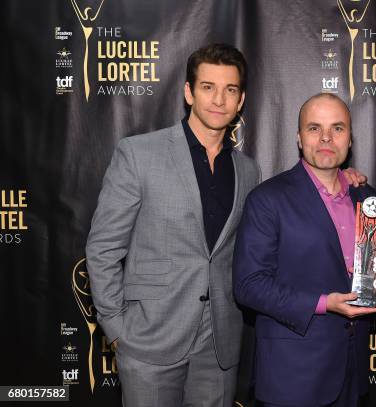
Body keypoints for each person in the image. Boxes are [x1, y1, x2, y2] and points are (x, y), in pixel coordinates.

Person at [86, 43, 260, 407]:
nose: (218, 99)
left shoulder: (247, 170)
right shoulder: (139, 153)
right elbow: (103, 248)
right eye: (207, 87)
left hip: (219, 344)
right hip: (149, 337)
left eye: (230, 90)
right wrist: (117, 329)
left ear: (240, 100)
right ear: (188, 92)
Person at [233, 93, 376, 407]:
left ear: (350, 139)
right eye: (314, 128)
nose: (326, 137)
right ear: (299, 139)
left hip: (351, 373)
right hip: (293, 375)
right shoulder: (268, 199)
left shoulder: (367, 198)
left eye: (337, 128)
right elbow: (248, 286)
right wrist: (324, 303)